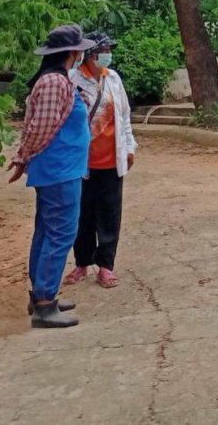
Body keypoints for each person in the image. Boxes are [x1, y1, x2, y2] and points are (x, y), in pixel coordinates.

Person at [7, 24, 95, 329]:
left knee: (47, 231)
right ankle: (45, 303)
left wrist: (24, 158)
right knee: (60, 234)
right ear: (72, 53)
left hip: (59, 169)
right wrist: (23, 157)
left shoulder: (54, 81)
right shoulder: (55, 83)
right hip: (59, 171)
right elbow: (39, 128)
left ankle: (42, 295)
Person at [64, 32, 135, 289]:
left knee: (109, 213)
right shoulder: (72, 80)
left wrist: (129, 147)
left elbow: (124, 116)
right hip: (81, 162)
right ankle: (81, 263)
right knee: (82, 213)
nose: (107, 53)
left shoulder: (113, 79)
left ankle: (105, 266)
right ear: (89, 55)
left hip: (110, 161)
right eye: (102, 49)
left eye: (108, 49)